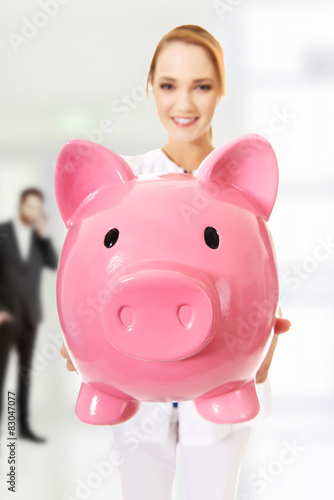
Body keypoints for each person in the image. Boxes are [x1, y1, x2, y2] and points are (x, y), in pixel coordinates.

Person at [60, 24, 291, 499]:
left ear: (222, 89)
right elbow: (84, 277)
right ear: (150, 88)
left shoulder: (241, 194)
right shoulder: (122, 185)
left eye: (201, 86)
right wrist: (82, 338)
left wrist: (262, 341)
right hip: (133, 388)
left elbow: (260, 284)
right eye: (168, 86)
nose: (183, 104)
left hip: (221, 386)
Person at [0, 188, 58, 442]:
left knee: (24, 375)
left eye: (38, 208)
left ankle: (22, 428)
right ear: (21, 205)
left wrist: (44, 236)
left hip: (30, 317)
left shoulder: (38, 239)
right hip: (6, 317)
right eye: (30, 206)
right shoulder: (3, 233)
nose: (33, 212)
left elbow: (53, 263)